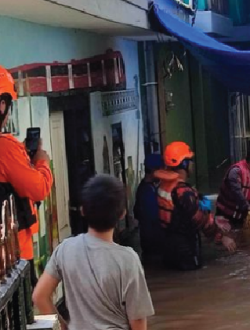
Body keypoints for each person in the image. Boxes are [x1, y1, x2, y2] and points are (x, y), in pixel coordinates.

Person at [32, 175, 154, 330]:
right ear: (122, 213)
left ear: (83, 210)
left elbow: (39, 297)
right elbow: (137, 320)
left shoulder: (65, 249)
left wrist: (63, 327)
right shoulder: (128, 259)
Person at [0, 65, 53, 287]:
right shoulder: (5, 148)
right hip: (12, 257)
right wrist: (42, 162)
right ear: (2, 105)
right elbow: (38, 188)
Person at [155, 142, 236, 271]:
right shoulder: (184, 192)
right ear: (184, 164)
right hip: (185, 250)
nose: (193, 164)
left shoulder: (164, 185)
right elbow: (202, 221)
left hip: (169, 247)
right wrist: (222, 237)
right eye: (190, 160)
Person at [215, 146, 250, 230]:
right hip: (226, 214)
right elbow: (237, 192)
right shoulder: (236, 171)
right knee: (228, 238)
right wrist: (248, 207)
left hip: (241, 215)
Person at [134, 154, 165, 263]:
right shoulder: (148, 193)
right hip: (154, 246)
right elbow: (156, 218)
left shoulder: (144, 188)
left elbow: (136, 213)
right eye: (161, 169)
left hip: (148, 244)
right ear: (154, 170)